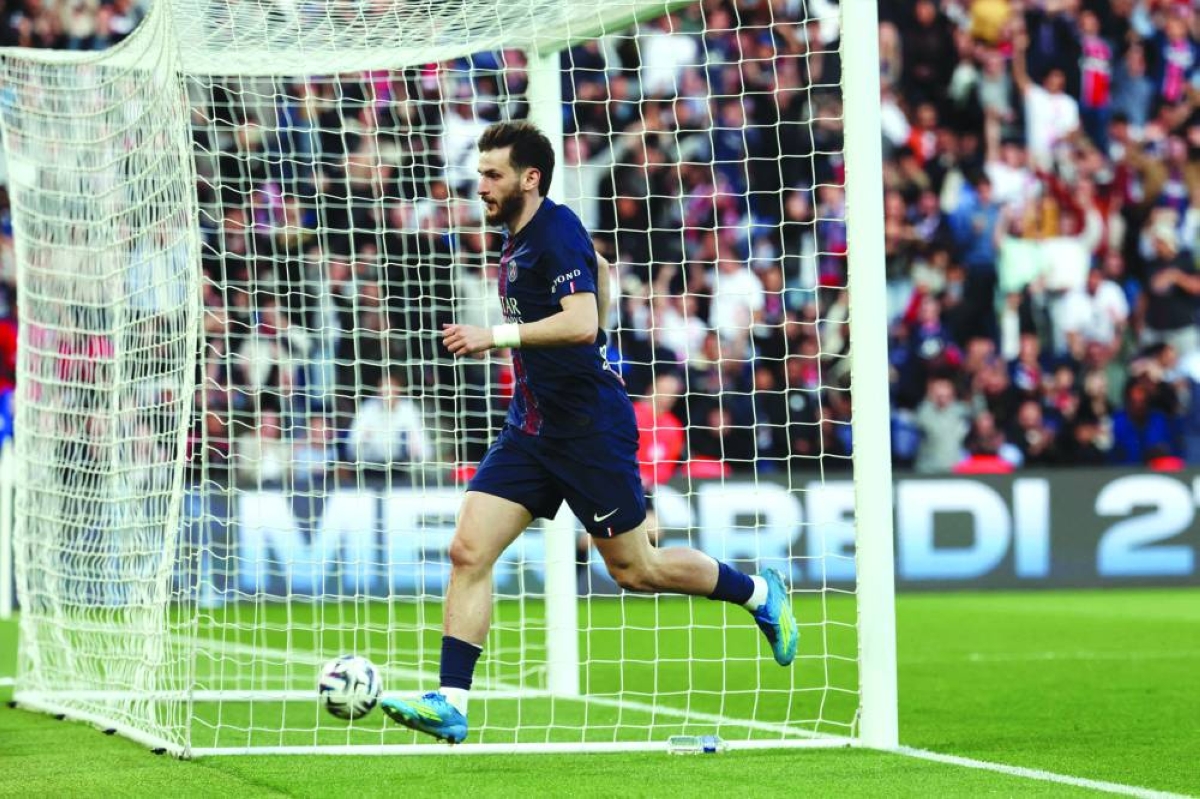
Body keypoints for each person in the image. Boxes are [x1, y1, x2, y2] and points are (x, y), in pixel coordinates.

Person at [380, 121, 797, 743]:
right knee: (468, 550)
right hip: (530, 428)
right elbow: (600, 270)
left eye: (493, 174)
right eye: (480, 174)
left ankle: (758, 592)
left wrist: (497, 336)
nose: (481, 186)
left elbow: (579, 322)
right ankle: (451, 700)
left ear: (530, 178)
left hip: (588, 431)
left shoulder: (556, 230)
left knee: (635, 570)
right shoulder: (519, 236)